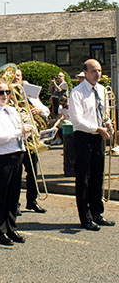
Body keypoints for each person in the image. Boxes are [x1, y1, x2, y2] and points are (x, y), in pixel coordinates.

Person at [68, 59, 115, 231]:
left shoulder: (102, 90)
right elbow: (77, 121)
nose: (97, 74)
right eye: (94, 71)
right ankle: (85, 217)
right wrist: (97, 129)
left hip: (98, 137)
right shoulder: (77, 92)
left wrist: (107, 124)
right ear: (85, 73)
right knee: (84, 179)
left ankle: (97, 213)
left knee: (97, 176)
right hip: (83, 137)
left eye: (99, 71)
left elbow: (104, 112)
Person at [0, 80, 28, 246]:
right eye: (1, 92)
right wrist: (19, 132)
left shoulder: (12, 110)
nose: (5, 95)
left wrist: (26, 132)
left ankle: (11, 227)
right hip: (0, 156)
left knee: (13, 195)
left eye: (7, 92)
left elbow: (17, 133)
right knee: (1, 195)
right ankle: (0, 231)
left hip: (16, 153)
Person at [13, 68, 48, 214]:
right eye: (13, 76)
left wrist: (38, 111)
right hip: (15, 140)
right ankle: (14, 204)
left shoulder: (29, 93)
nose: (16, 78)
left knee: (33, 172)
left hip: (30, 139)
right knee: (15, 174)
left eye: (18, 76)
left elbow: (45, 110)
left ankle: (32, 201)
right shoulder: (5, 94)